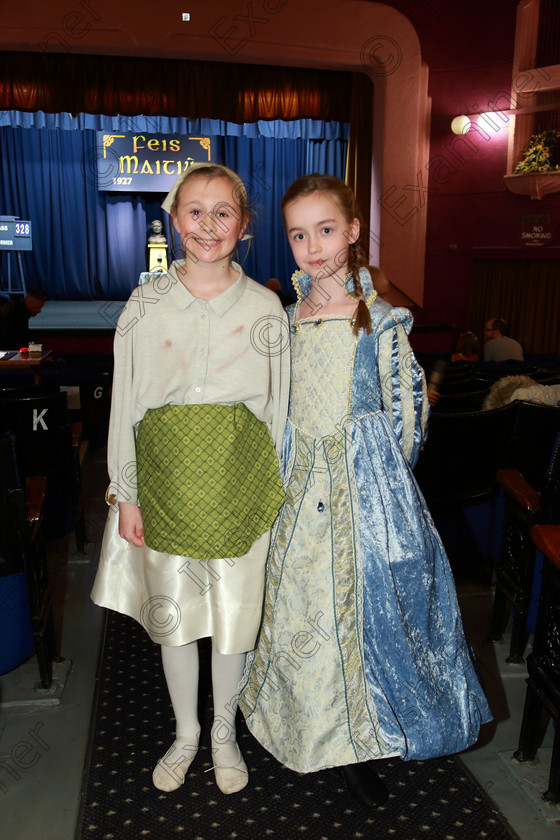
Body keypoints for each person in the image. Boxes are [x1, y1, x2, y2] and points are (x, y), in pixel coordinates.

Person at [238, 174, 492, 808]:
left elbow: (409, 413)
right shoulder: (287, 315)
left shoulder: (377, 319)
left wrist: (380, 486)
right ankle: (305, 728)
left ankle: (355, 744)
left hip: (360, 488)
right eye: (299, 235)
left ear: (353, 231)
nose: (313, 246)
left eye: (326, 230)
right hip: (295, 485)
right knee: (298, 608)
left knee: (355, 616)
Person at [91, 163, 289, 796]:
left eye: (223, 212)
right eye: (195, 212)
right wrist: (126, 492)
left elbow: (279, 412)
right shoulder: (145, 303)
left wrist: (276, 493)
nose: (209, 225)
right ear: (174, 220)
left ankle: (225, 733)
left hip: (240, 479)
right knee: (173, 615)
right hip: (166, 480)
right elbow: (125, 405)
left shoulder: (265, 307)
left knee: (234, 615)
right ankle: (185, 732)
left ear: (244, 225)